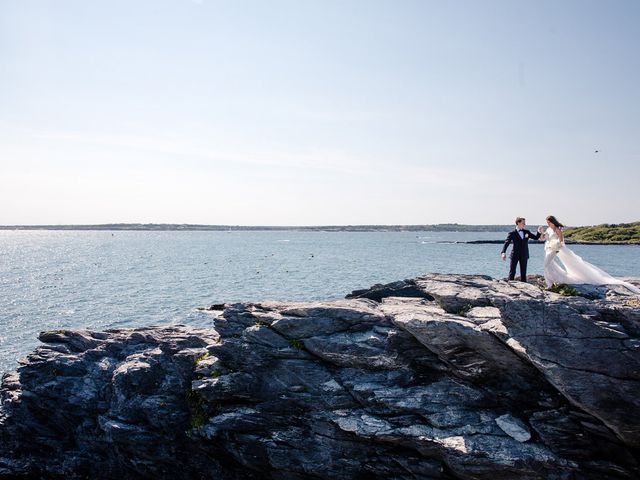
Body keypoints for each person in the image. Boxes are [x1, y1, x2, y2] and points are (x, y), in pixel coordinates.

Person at [539, 215, 640, 294]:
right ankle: (551, 282)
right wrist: (541, 232)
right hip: (548, 249)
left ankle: (551, 283)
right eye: (547, 222)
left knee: (548, 264)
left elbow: (561, 241)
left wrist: (557, 248)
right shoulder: (548, 230)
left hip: (556, 249)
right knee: (549, 265)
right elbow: (543, 239)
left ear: (552, 221)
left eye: (548, 222)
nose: (547, 223)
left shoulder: (558, 229)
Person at [501, 217, 541, 282]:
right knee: (512, 271)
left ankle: (524, 287)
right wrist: (503, 252)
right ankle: (510, 285)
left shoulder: (526, 232)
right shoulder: (512, 233)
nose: (524, 224)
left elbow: (536, 237)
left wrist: (538, 231)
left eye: (524, 223)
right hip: (514, 255)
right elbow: (506, 243)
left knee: (523, 272)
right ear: (518, 223)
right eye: (523, 223)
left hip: (524, 254)